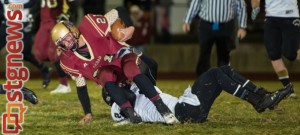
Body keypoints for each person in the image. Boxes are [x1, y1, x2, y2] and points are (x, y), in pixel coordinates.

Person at [50, 6, 178, 125]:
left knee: (147, 66)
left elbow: (119, 10)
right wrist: (88, 113)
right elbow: (81, 87)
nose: (67, 44)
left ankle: (161, 107)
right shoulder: (68, 60)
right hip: (114, 83)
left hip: (124, 59)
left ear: (73, 30)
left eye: (67, 38)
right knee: (107, 79)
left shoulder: (90, 26)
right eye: (62, 43)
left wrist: (131, 27)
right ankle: (129, 113)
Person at [105, 65, 293, 125]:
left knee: (222, 69)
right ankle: (259, 100)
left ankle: (262, 95)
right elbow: (125, 97)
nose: (124, 84)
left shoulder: (137, 90)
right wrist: (115, 86)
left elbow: (150, 66)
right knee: (215, 74)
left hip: (190, 111)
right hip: (184, 111)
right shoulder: (119, 106)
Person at [182, 0, 247, 76]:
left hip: (226, 25)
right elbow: (196, 3)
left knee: (224, 56)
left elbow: (241, 6)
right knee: (204, 53)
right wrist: (187, 21)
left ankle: (224, 81)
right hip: (207, 24)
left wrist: (242, 26)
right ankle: (203, 81)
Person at [251, 0, 299, 98]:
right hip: (271, 17)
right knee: (273, 54)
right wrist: (255, 9)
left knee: (291, 54)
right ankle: (288, 88)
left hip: (290, 16)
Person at [0, 0, 51, 88]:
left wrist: (19, 7)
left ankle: (44, 70)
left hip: (23, 23)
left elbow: (35, 3)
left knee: (24, 52)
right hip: (7, 24)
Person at [33, 0, 78, 94]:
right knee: (39, 53)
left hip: (55, 21)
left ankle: (64, 85)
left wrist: (68, 15)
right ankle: (68, 62)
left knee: (53, 54)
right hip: (43, 22)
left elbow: (73, 3)